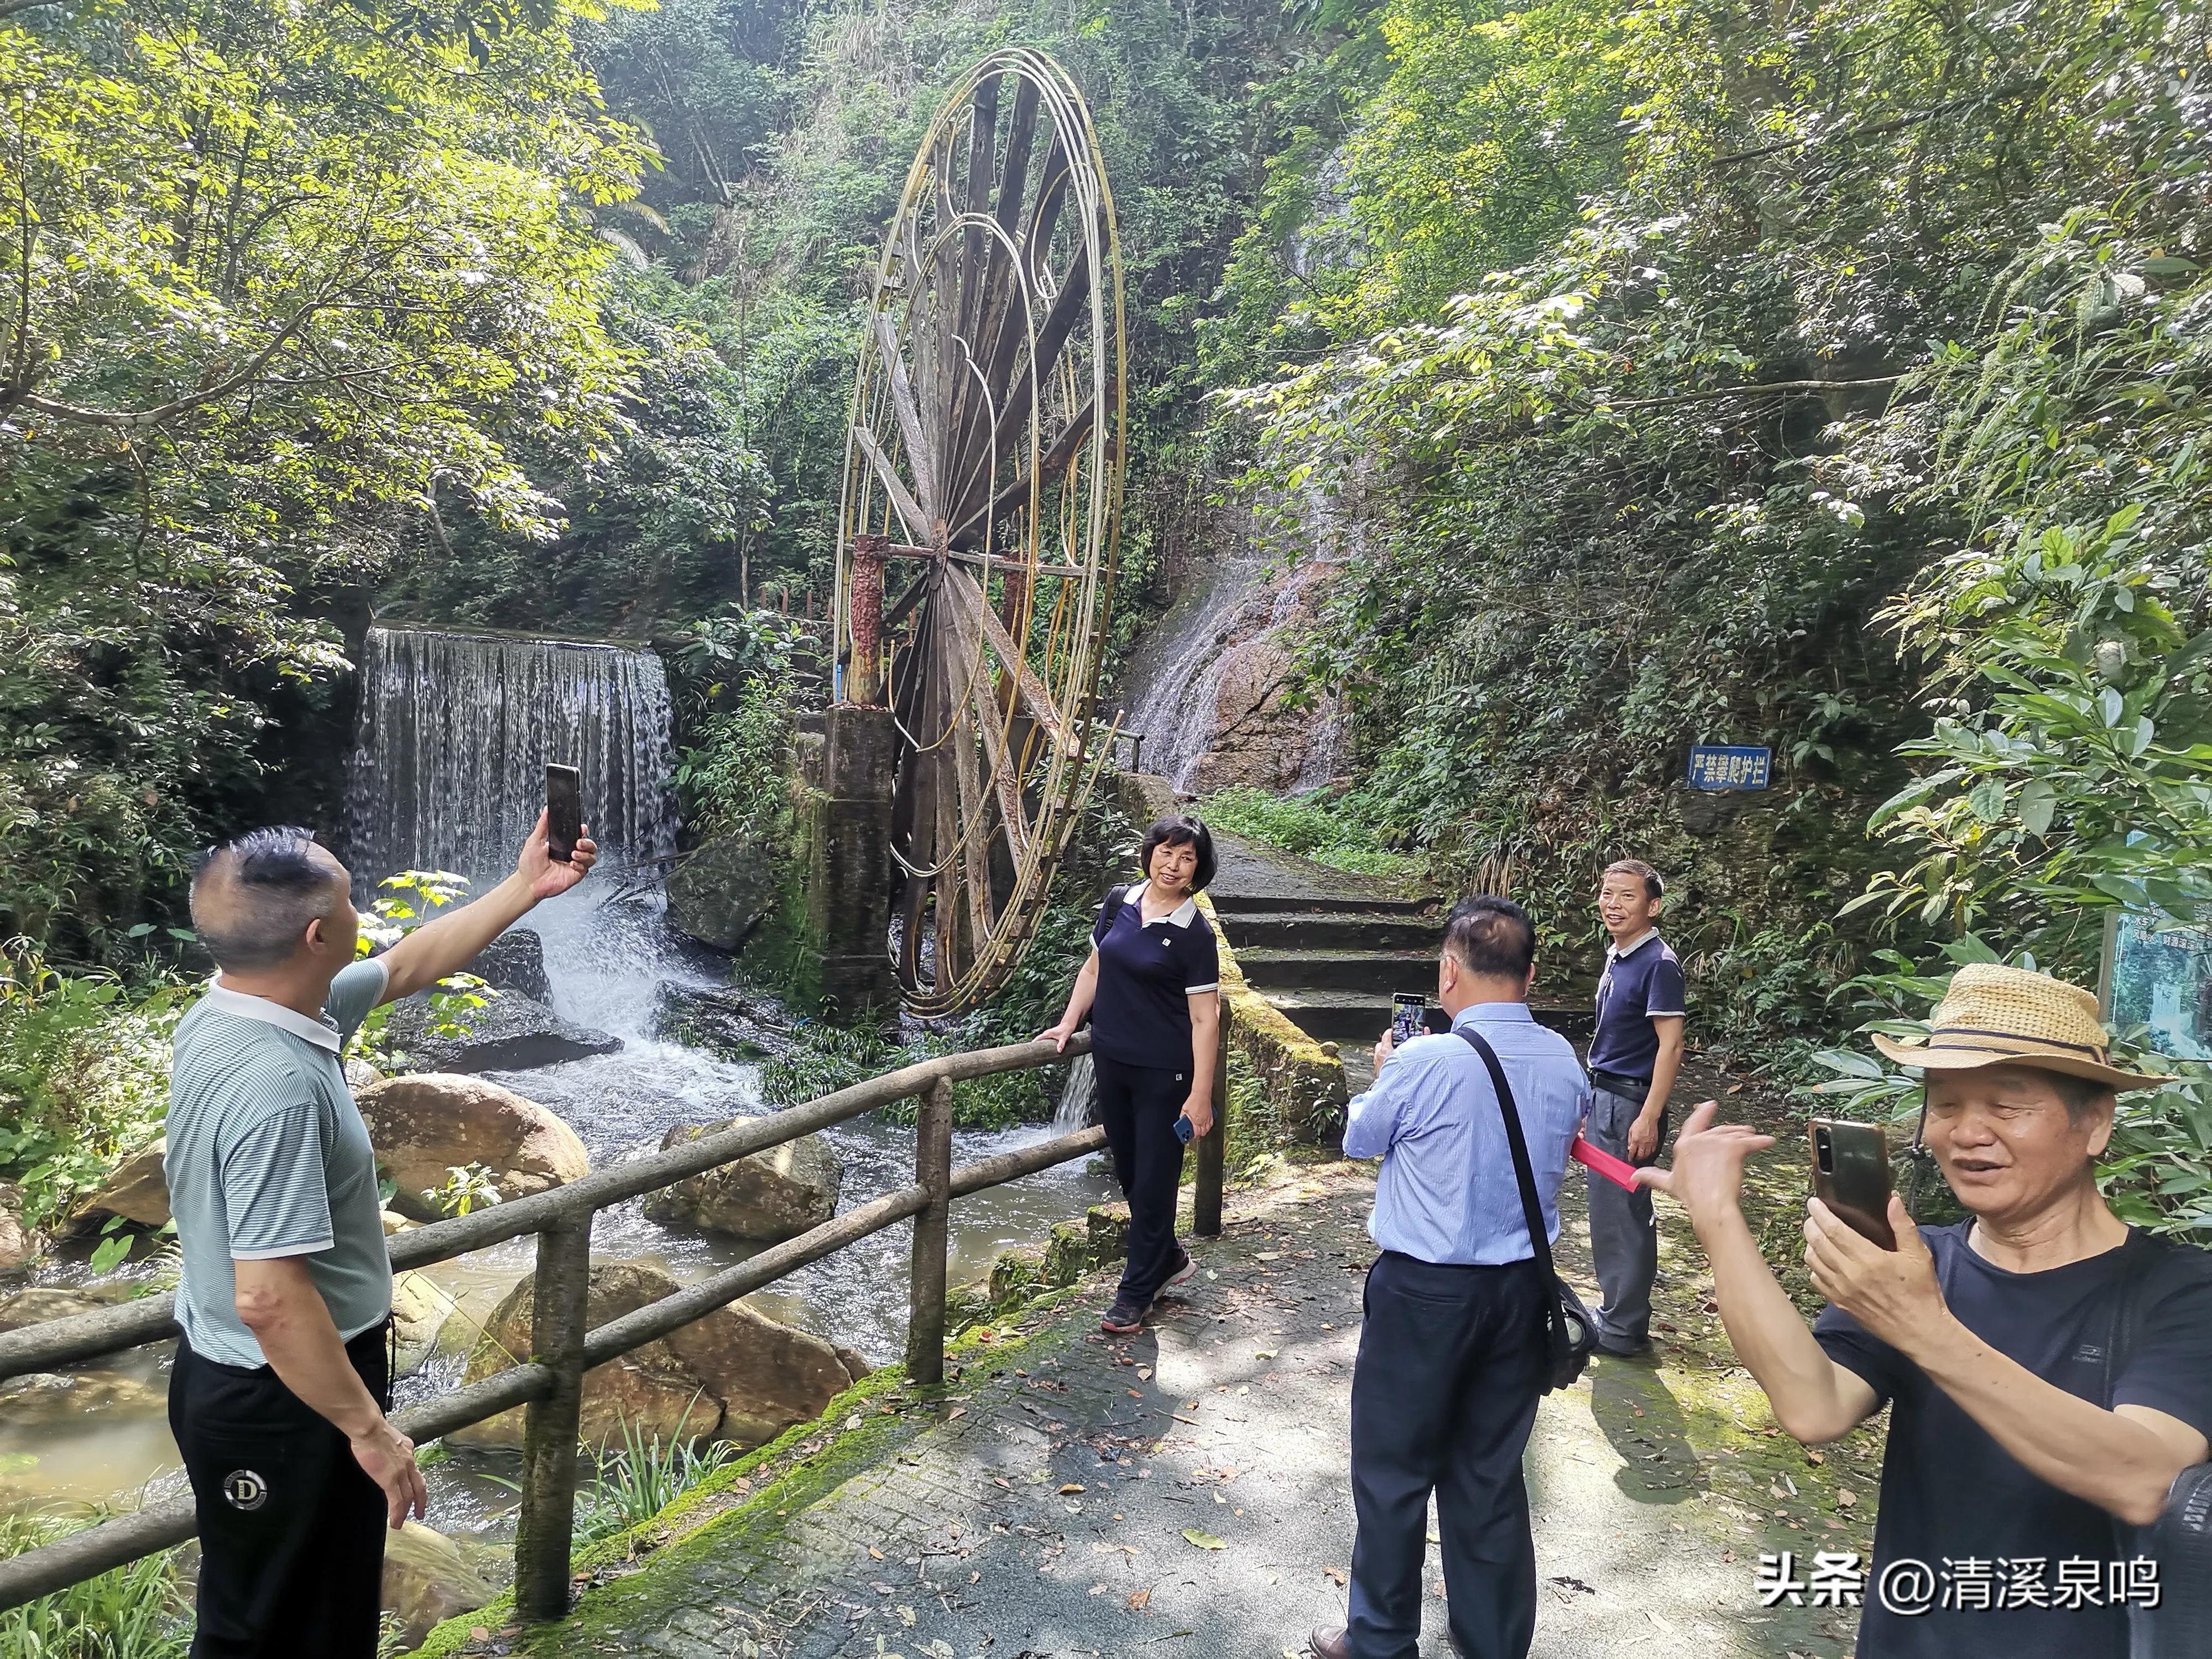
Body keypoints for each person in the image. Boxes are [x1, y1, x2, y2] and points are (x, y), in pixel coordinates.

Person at [1639, 964, 2212, 1659]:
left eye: (2007, 1106)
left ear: (2094, 1123)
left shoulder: (2180, 1291)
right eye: (1944, 1105)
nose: (1966, 1133)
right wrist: (1717, 1221)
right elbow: (1815, 1405)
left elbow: (2145, 1479)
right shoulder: (1922, 1265)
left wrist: (1920, 1325)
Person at [166, 814, 596, 1657]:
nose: (366, 913)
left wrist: (524, 887)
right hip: (281, 1396)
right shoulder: (276, 1081)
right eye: (353, 897)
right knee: (256, 1632)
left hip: (274, 1383)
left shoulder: (248, 1008)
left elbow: (408, 964)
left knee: (315, 1610)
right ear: (320, 934)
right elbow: (268, 1298)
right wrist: (372, 1431)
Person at [1309, 897, 1590, 1659]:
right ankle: (1494, 1643)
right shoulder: (1564, 1059)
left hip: (1423, 1295)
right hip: (1520, 1293)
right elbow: (1567, 1140)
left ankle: (1379, 1641)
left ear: (1448, 974)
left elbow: (1359, 1140)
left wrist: (1380, 1072)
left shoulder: (1422, 1060)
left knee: (1396, 1472)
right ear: (1531, 976)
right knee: (1490, 1475)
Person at [1040, 815, 1221, 1335]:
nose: (1174, 865)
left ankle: (1135, 1292)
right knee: (1131, 1173)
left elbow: (1205, 1019)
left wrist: (1200, 1094)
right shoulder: (1121, 901)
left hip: (1165, 1073)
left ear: (1197, 870)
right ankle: (1165, 1257)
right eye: (1167, 852)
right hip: (1111, 1061)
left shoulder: (1195, 934)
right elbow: (1095, 969)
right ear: (1150, 853)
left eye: (1187, 858)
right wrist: (1068, 1023)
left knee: (1156, 1179)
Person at [1584, 857, 1686, 1355]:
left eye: (1627, 896)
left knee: (1624, 1214)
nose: (1614, 904)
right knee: (1608, 1213)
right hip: (1605, 1096)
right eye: (1608, 893)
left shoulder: (1659, 963)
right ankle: (1615, 1314)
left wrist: (1649, 1116)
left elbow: (1671, 1047)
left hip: (1630, 1105)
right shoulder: (1620, 955)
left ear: (1653, 906)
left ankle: (1623, 1329)